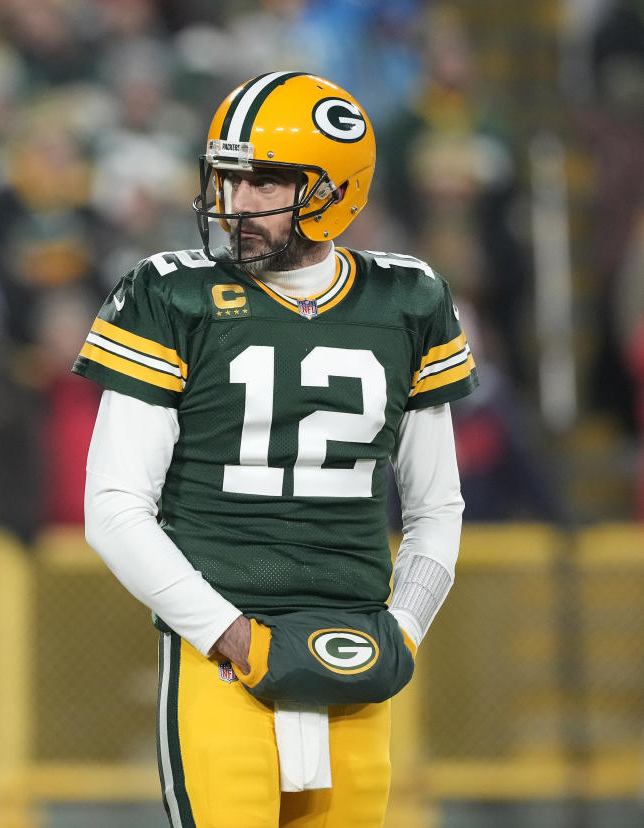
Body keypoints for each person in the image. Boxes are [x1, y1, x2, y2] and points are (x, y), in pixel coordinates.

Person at [75, 72, 478, 827]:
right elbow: (113, 507)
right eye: (228, 176)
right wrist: (232, 635)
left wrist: (405, 631)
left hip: (355, 650)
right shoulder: (172, 296)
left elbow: (437, 505)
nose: (236, 201)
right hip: (221, 659)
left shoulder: (409, 300)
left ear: (334, 190)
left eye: (263, 181)